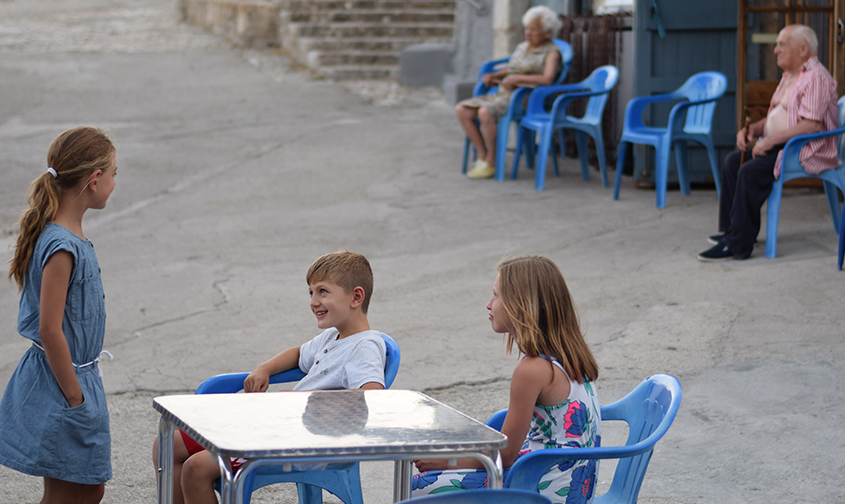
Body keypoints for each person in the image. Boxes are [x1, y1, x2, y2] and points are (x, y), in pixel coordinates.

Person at [153, 250, 387, 504]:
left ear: (356, 297)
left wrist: (307, 400)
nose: (313, 301)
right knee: (167, 444)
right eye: (311, 292)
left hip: (306, 443)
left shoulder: (365, 346)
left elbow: (373, 397)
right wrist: (264, 369)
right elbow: (298, 354)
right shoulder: (333, 335)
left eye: (323, 291)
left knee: (196, 469)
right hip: (280, 429)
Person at [411, 256, 601, 503]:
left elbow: (506, 455)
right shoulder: (569, 356)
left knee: (418, 486)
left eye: (496, 296)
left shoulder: (532, 370)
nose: (489, 304)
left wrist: (446, 461)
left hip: (541, 488)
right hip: (572, 486)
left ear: (521, 305)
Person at [0, 127, 118, 504]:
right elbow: (49, 329)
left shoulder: (68, 236)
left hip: (76, 378)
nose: (115, 182)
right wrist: (75, 397)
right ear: (94, 180)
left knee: (86, 487)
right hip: (63, 382)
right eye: (114, 173)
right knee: (71, 491)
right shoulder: (63, 246)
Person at [699, 24, 839, 261]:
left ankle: (738, 245)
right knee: (733, 162)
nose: (776, 50)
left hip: (805, 149)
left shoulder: (816, 78)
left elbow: (810, 126)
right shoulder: (791, 76)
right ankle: (733, 231)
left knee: (750, 172)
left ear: (803, 49)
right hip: (785, 144)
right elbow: (780, 116)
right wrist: (754, 129)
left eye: (783, 44)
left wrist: (770, 140)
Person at [458, 5, 564, 179]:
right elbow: (512, 67)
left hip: (525, 98)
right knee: (462, 110)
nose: (528, 33)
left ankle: (492, 161)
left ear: (548, 33)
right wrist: (494, 74)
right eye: (527, 29)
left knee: (485, 112)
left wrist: (519, 80)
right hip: (504, 94)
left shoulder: (551, 52)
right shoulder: (523, 46)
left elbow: (547, 79)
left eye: (534, 30)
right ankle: (482, 155)